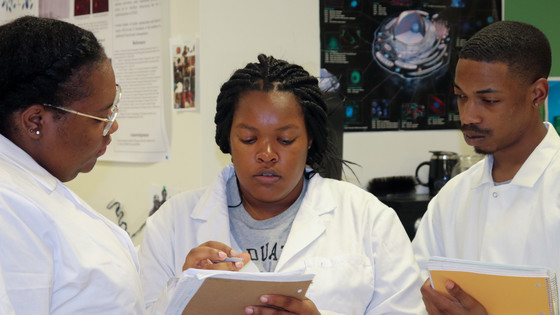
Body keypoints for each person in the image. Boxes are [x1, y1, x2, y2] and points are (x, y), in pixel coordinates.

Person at [138, 54, 425, 314]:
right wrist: (182, 294)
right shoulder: (172, 225)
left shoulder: (369, 220)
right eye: (249, 139)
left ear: (309, 139)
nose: (267, 154)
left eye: (285, 140)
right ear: (227, 139)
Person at [412, 20, 557, 314]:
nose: (469, 116)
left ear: (537, 94)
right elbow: (414, 296)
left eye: (488, 100)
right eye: (461, 97)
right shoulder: (451, 199)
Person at [0, 16, 142, 314]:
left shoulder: (34, 188)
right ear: (35, 122)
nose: (112, 128)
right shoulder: (8, 209)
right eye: (101, 118)